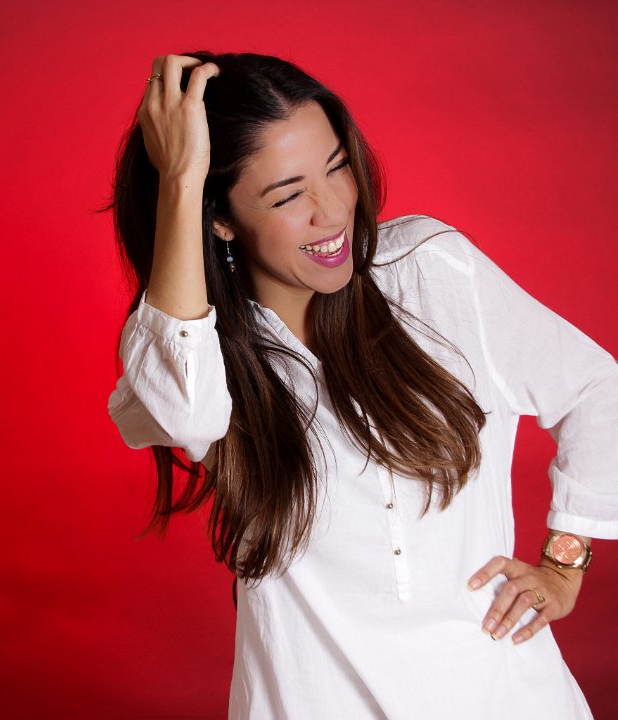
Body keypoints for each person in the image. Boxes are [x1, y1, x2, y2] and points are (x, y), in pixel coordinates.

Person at [106, 51, 618, 719]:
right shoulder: (194, 349)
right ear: (219, 218)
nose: (331, 211)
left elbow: (595, 388)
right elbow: (181, 415)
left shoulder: (430, 270)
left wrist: (565, 560)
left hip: (507, 696)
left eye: (338, 167)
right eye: (288, 196)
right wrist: (180, 178)